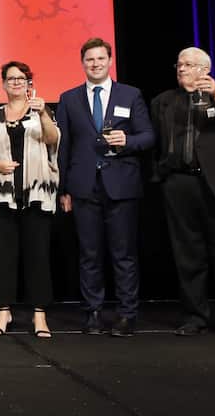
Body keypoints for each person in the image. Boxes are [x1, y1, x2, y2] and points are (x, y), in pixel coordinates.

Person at [55, 37, 154, 336]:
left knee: (123, 254)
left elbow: (148, 136)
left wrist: (129, 141)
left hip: (121, 185)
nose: (95, 64)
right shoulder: (69, 98)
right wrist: (64, 189)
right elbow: (63, 147)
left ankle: (126, 314)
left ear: (110, 61)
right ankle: (93, 313)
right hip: (84, 186)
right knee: (89, 254)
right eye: (90, 60)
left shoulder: (130, 94)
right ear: (82, 63)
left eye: (100, 59)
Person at [148, 47, 215, 340]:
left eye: (189, 65)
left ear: (205, 70)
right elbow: (155, 141)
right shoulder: (163, 101)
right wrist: (160, 174)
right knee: (187, 255)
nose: (182, 69)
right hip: (179, 184)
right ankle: (195, 315)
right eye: (179, 64)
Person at [0, 62, 60, 338]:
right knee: (2, 257)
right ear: (3, 83)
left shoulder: (41, 110)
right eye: (11, 78)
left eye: (22, 78)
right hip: (2, 195)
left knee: (37, 256)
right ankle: (3, 313)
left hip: (36, 194)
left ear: (29, 83)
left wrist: (43, 115)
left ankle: (40, 316)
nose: (16, 83)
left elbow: (52, 140)